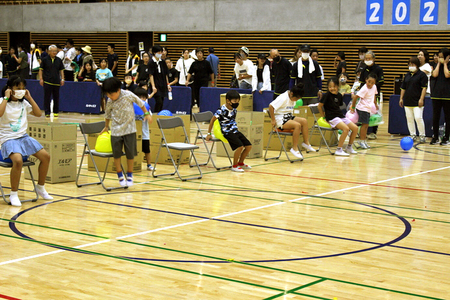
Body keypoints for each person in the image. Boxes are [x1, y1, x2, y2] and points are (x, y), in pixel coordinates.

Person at [0, 76, 53, 206]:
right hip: (8, 139)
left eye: (23, 88)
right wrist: (6, 98)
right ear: (10, 89)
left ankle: (40, 187)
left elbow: (38, 113)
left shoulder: (23, 103)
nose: (21, 91)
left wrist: (29, 97)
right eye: (18, 88)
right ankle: (13, 193)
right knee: (17, 161)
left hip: (24, 137)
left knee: (46, 157)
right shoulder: (2, 101)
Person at [100, 77, 152, 187]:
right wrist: (106, 126)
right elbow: (107, 115)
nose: (109, 97)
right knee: (117, 154)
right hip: (116, 131)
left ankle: (129, 174)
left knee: (130, 154)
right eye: (107, 95)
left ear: (118, 90)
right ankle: (119, 174)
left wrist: (146, 114)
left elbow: (140, 103)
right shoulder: (110, 101)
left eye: (111, 94)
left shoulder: (128, 95)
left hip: (129, 130)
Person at [206, 90, 252, 172]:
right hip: (226, 132)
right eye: (234, 101)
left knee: (248, 146)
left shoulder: (234, 110)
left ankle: (241, 163)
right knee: (240, 147)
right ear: (228, 101)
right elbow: (212, 120)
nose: (236, 103)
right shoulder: (221, 110)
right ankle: (234, 166)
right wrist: (209, 133)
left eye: (238, 101)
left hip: (235, 130)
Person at [269, 83, 317, 159]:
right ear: (291, 94)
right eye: (296, 98)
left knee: (304, 121)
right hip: (280, 119)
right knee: (297, 125)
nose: (297, 100)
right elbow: (271, 106)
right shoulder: (283, 98)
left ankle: (306, 142)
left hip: (288, 116)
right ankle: (294, 148)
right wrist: (273, 120)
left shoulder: (293, 96)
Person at [318, 77, 358, 156]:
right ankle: (339, 149)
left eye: (334, 86)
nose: (332, 88)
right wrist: (323, 117)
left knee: (355, 128)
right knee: (346, 129)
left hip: (340, 116)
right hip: (332, 117)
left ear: (338, 86)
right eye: (330, 87)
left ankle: (349, 147)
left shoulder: (339, 95)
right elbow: (319, 106)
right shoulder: (326, 96)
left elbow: (338, 106)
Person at [399, 56, 428, 143]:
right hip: (407, 101)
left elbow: (424, 88)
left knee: (418, 118)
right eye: (409, 64)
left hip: (417, 101)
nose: (411, 66)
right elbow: (403, 88)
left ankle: (422, 135)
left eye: (412, 64)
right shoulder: (407, 75)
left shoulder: (422, 75)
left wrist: (421, 99)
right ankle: (413, 135)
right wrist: (401, 98)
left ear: (417, 65)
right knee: (409, 119)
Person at [350, 73, 378, 149]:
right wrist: (353, 106)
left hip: (368, 109)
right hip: (362, 108)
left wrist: (376, 104)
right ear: (366, 80)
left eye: (372, 83)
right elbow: (355, 97)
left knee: (366, 125)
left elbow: (374, 96)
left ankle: (363, 141)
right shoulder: (364, 88)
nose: (370, 84)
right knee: (364, 125)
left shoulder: (374, 87)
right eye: (369, 81)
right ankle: (361, 141)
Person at [359, 50, 383, 140]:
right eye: (366, 58)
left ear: (374, 59)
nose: (367, 60)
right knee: (364, 112)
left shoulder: (378, 69)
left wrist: (371, 87)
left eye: (369, 58)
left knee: (374, 112)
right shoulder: (364, 69)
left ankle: (373, 132)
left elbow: (381, 81)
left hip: (374, 95)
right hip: (364, 96)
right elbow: (361, 83)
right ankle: (363, 131)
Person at [429, 47, 450, 145]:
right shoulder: (434, 65)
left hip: (447, 95)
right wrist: (438, 64)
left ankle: (446, 137)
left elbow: (447, 75)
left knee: (447, 117)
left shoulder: (449, 65)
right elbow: (435, 75)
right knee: (435, 117)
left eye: (442, 56)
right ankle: (435, 137)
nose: (440, 58)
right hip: (436, 95)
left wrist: (445, 63)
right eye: (439, 56)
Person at [39, 45, 64, 118]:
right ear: (49, 51)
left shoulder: (59, 60)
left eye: (55, 51)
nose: (54, 52)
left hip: (56, 82)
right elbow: (41, 69)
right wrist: (41, 79)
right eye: (53, 51)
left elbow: (61, 70)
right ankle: (47, 112)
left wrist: (62, 79)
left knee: (56, 97)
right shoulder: (45, 59)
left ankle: (56, 111)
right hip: (47, 82)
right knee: (47, 98)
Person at [134, 87, 154, 171]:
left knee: (147, 150)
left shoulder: (147, 109)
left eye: (144, 98)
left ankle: (149, 164)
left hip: (144, 134)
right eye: (139, 97)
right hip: (134, 133)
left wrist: (147, 115)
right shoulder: (132, 107)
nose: (142, 100)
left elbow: (150, 118)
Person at [149, 45, 171, 112]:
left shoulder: (162, 62)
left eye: (161, 52)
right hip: (156, 85)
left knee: (162, 102)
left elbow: (166, 74)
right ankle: (155, 115)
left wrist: (168, 84)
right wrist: (153, 86)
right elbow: (151, 75)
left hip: (163, 84)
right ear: (154, 53)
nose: (160, 53)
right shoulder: (151, 62)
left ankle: (159, 115)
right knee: (159, 102)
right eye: (159, 52)